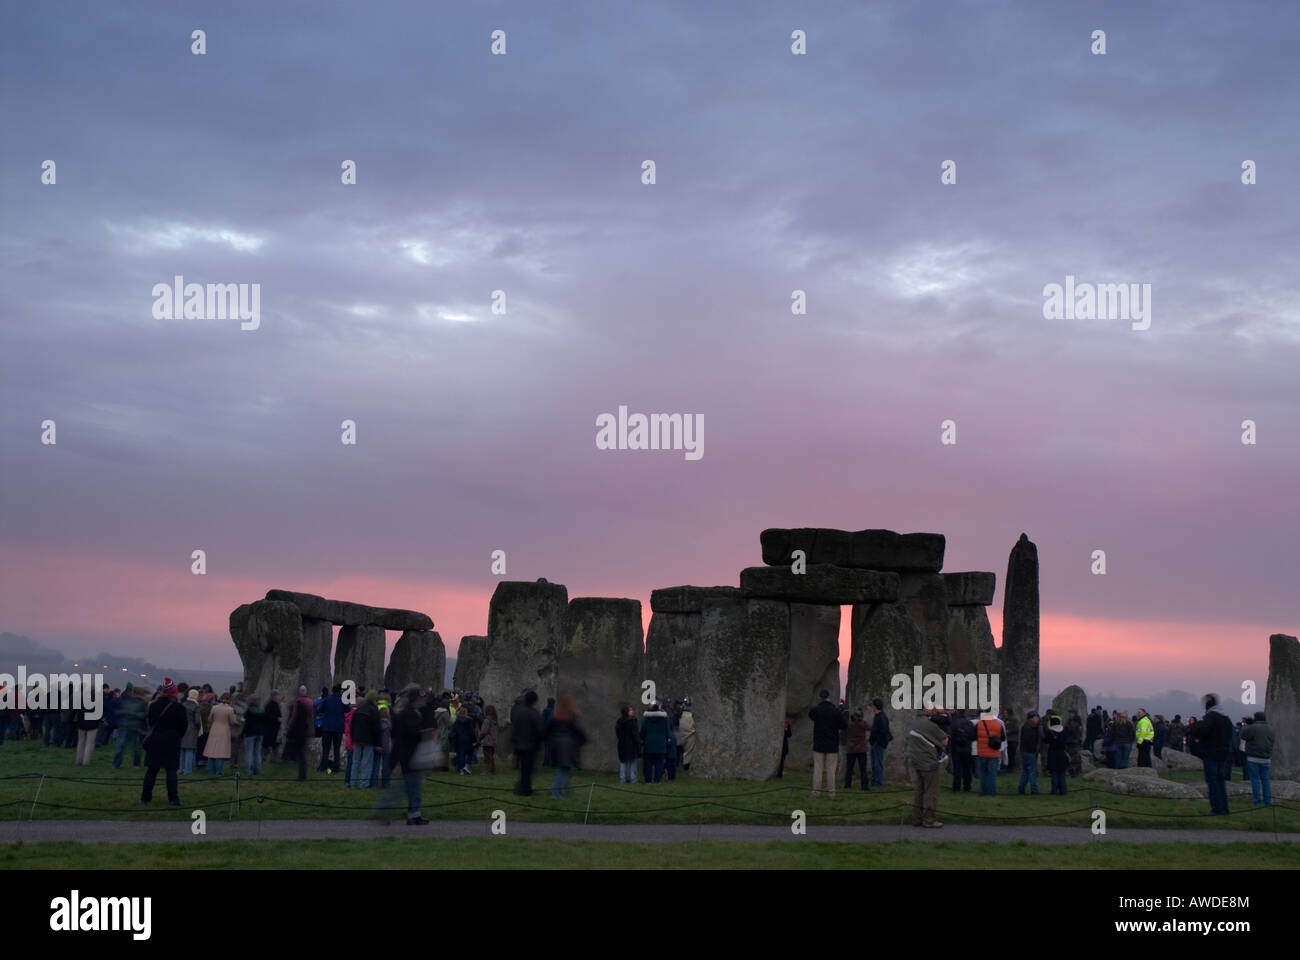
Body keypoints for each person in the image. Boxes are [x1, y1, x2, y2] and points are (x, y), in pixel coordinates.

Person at [374, 684, 429, 825]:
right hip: (408, 756)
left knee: (414, 787)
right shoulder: (407, 714)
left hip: (412, 755)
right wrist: (422, 734)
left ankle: (414, 814)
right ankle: (383, 808)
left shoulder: (411, 712)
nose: (423, 701)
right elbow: (406, 734)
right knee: (404, 787)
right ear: (413, 699)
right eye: (420, 699)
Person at [140, 679, 187, 805]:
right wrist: (176, 736)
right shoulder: (179, 708)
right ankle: (173, 798)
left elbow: (150, 723)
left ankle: (145, 797)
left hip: (155, 740)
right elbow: (183, 727)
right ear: (174, 693)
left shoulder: (153, 706)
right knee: (171, 771)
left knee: (151, 770)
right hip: (172, 741)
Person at [1186, 694, 1234, 815]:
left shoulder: (1211, 716)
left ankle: (1217, 808)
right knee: (1220, 780)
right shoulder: (1226, 718)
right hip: (1223, 752)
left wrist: (1192, 729)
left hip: (1211, 752)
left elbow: (1202, 729)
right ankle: (1224, 808)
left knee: (1212, 781)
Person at [906, 709, 948, 828]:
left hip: (916, 761)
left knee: (920, 791)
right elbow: (944, 741)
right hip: (928, 762)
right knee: (931, 792)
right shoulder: (929, 724)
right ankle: (928, 820)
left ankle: (917, 818)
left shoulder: (915, 722)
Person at [808, 690, 847, 798]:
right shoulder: (835, 711)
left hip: (819, 744)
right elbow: (844, 725)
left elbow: (810, 715)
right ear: (829, 697)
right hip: (832, 744)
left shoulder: (816, 710)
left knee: (818, 769)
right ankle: (831, 793)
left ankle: (816, 792)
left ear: (820, 698)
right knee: (831, 770)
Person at [548, 694, 587, 798]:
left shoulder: (555, 715)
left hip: (557, 745)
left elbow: (547, 729)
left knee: (563, 770)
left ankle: (566, 792)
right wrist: (581, 742)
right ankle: (556, 794)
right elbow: (580, 731)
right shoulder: (571, 716)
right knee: (563, 771)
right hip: (568, 746)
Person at [511, 690, 546, 796]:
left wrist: (514, 741)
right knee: (528, 769)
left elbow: (514, 726)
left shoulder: (518, 711)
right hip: (530, 745)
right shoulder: (533, 713)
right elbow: (540, 730)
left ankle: (522, 787)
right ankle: (524, 789)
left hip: (519, 744)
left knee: (524, 769)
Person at [1239, 710, 1274, 806]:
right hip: (1266, 758)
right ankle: (1268, 801)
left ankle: (1257, 801)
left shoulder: (1253, 728)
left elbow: (1242, 735)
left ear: (1255, 718)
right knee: (1265, 780)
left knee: (1255, 780)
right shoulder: (1271, 729)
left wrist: (1247, 725)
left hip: (1253, 758)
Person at [351, 690, 381, 787]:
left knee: (355, 762)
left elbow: (352, 725)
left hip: (357, 738)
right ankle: (364, 783)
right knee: (366, 762)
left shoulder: (359, 709)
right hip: (368, 739)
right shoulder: (374, 710)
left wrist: (352, 737)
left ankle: (353, 782)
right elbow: (376, 728)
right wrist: (378, 743)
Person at [284, 686, 314, 781]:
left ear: (300, 692)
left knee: (300, 753)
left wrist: (289, 726)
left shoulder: (298, 702)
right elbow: (310, 715)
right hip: (305, 728)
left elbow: (293, 716)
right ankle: (302, 773)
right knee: (302, 752)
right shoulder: (310, 702)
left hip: (297, 730)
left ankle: (301, 774)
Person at [113, 685, 146, 768]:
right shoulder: (125, 701)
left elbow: (144, 714)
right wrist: (123, 713)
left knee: (136, 748)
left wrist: (133, 714)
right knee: (120, 746)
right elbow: (117, 711)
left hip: (135, 727)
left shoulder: (142, 703)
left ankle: (136, 764)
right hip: (125, 726)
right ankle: (116, 763)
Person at [640, 701, 670, 784]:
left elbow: (643, 730)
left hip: (648, 743)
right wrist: (667, 739)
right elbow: (667, 731)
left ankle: (648, 780)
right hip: (660, 743)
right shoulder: (664, 719)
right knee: (659, 764)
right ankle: (657, 780)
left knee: (647, 764)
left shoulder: (646, 718)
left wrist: (642, 738)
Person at [204, 693, 234, 775]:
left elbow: (210, 719)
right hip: (224, 730)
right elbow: (232, 721)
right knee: (221, 752)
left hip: (214, 729)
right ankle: (219, 772)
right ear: (229, 700)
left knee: (212, 750)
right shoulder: (230, 709)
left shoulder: (214, 707)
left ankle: (210, 770)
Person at [974, 709, 1004, 796]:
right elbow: (1003, 738)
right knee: (992, 773)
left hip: (982, 752)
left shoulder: (979, 724)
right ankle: (991, 792)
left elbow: (973, 736)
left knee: (983, 773)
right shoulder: (998, 725)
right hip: (994, 753)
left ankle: (984, 791)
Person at [318, 685, 345, 774]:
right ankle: (336, 768)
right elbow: (348, 709)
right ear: (340, 691)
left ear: (332, 691)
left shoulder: (327, 699)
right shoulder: (342, 700)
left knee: (326, 749)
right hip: (338, 729)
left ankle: (323, 767)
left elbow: (320, 709)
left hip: (327, 728)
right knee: (336, 749)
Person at [947, 708, 975, 792]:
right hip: (967, 748)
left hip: (956, 748)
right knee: (967, 768)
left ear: (957, 712)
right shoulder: (970, 723)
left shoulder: (954, 723)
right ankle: (967, 786)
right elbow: (973, 736)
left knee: (957, 768)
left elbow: (950, 736)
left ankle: (956, 786)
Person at [844, 708, 870, 791]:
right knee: (863, 769)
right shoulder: (862, 723)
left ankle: (847, 785)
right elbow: (869, 727)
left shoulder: (849, 724)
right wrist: (860, 720)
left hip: (851, 749)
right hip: (861, 749)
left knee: (849, 768)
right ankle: (864, 786)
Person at [868, 698, 891, 786]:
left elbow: (883, 731)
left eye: (872, 706)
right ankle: (875, 781)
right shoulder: (879, 716)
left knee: (877, 764)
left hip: (878, 744)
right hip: (876, 743)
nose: (872, 707)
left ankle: (877, 782)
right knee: (875, 763)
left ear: (875, 706)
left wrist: (877, 741)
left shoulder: (881, 717)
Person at [1017, 712, 1041, 794]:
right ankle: (1034, 790)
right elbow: (1030, 741)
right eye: (1036, 717)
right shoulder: (1028, 728)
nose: (1037, 719)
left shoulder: (1028, 727)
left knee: (1026, 771)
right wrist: (1035, 748)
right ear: (1031, 718)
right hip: (1029, 751)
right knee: (1032, 771)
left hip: (1025, 751)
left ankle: (1021, 788)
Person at [1044, 715, 1068, 795]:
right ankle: (1063, 790)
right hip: (1062, 754)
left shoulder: (1050, 732)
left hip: (1053, 754)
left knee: (1054, 774)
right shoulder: (1064, 731)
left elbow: (1046, 741)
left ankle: (1054, 791)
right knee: (1062, 774)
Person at [452, 702, 478, 775]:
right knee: (470, 754)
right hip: (468, 740)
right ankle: (466, 766)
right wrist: (474, 740)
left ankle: (461, 769)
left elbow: (454, 731)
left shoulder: (456, 721)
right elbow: (471, 731)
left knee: (461, 755)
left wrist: (454, 740)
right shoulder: (469, 721)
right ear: (466, 713)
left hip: (459, 740)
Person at [615, 705, 639, 783]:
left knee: (623, 762)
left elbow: (617, 734)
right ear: (627, 712)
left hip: (622, 744)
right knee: (632, 763)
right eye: (630, 710)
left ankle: (623, 779)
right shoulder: (632, 721)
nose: (632, 711)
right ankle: (633, 779)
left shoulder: (619, 722)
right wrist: (638, 743)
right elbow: (635, 734)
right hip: (631, 745)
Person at [179, 689, 201, 775]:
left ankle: (180, 769)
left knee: (182, 750)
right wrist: (198, 728)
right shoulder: (196, 706)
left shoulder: (183, 704)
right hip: (192, 729)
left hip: (182, 728)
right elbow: (197, 721)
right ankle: (187, 770)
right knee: (189, 750)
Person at [243, 695, 265, 775]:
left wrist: (243, 733)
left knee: (249, 752)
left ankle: (247, 770)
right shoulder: (262, 710)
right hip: (260, 733)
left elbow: (245, 722)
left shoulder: (249, 711)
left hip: (250, 733)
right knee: (258, 752)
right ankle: (257, 770)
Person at [479, 704, 499, 775]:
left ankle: (487, 771)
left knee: (487, 756)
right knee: (491, 755)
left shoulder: (487, 720)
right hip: (493, 740)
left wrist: (480, 738)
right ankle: (492, 770)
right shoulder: (495, 720)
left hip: (487, 740)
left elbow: (484, 731)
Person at [678, 698, 696, 771]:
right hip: (690, 734)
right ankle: (686, 764)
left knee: (684, 749)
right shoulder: (691, 715)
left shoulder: (680, 715)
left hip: (682, 733)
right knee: (689, 750)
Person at [1065, 709, 1084, 776]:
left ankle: (1075, 771)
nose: (1070, 714)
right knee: (1071, 757)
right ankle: (1074, 770)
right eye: (1069, 713)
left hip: (1074, 742)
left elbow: (1070, 731)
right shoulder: (1070, 722)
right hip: (1070, 742)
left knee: (1074, 757)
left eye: (1071, 713)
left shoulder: (1075, 723)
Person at [1002, 707, 1018, 774]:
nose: (1005, 714)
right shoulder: (1003, 720)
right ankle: (1006, 767)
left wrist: (1008, 731)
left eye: (1006, 713)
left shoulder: (1014, 720)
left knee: (1011, 754)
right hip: (1006, 740)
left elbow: (1016, 729)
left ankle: (1011, 768)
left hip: (1013, 740)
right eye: (1004, 713)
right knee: (1006, 754)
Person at [542, 696, 556, 766]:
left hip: (547, 731)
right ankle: (552, 762)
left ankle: (546, 762)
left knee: (547, 747)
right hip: (554, 731)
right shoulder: (555, 711)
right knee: (553, 747)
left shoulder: (546, 710)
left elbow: (543, 721)